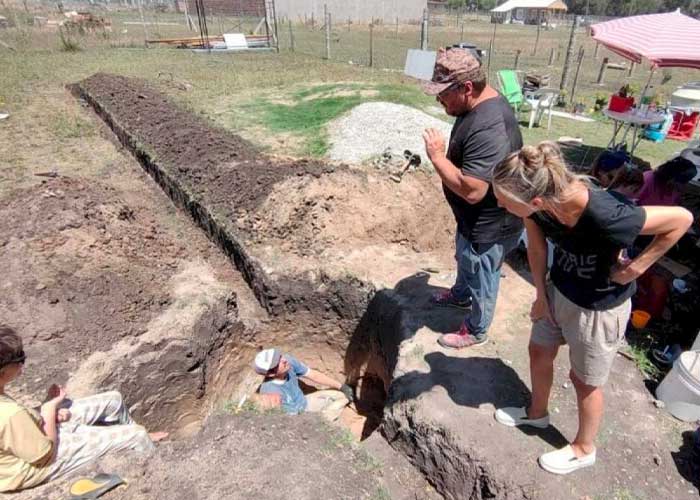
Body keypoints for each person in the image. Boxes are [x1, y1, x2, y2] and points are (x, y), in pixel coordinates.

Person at [491, 142, 692, 475]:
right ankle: (537, 413)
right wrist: (541, 294)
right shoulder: (539, 204)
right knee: (539, 351)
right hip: (559, 289)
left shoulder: (607, 215)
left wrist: (636, 269)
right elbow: (538, 248)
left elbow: (681, 219)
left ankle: (584, 448)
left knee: (584, 380)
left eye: (503, 200)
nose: (498, 203)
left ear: (536, 201)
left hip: (598, 308)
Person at [421, 47, 524, 349]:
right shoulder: (474, 107)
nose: (439, 100)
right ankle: (460, 294)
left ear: (467, 87)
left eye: (443, 94)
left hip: (491, 224)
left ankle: (477, 329)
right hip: (472, 219)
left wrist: (438, 157)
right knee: (465, 258)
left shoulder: (490, 126)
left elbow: (473, 190)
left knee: (482, 274)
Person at [0, 325, 168, 492]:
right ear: (2, 371)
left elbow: (17, 427)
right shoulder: (10, 414)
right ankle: (159, 474)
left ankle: (136, 437)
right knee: (136, 435)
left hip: (31, 436)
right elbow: (44, 454)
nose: (23, 364)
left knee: (113, 400)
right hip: (38, 466)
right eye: (19, 360)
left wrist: (47, 415)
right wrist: (49, 409)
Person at [251, 348, 354, 422]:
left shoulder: (289, 362)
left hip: (305, 403)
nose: (284, 360)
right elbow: (288, 421)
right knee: (322, 421)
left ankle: (324, 420)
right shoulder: (271, 393)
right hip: (298, 420)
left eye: (280, 356)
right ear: (271, 373)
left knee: (342, 396)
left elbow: (313, 375)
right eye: (278, 362)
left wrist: (341, 386)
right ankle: (323, 426)